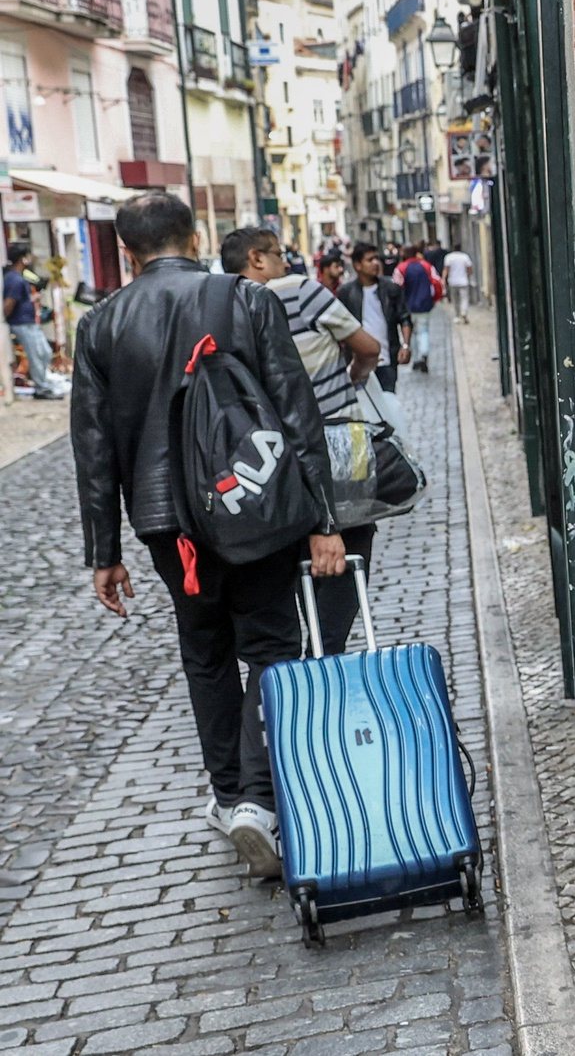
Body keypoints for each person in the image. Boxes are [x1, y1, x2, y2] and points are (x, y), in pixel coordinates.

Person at [70, 193, 345, 878]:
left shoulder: (100, 325)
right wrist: (323, 519)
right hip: (250, 500)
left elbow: (93, 449)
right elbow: (295, 409)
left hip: (168, 523)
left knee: (205, 651)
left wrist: (103, 552)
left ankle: (228, 795)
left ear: (127, 251)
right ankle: (259, 797)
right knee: (275, 643)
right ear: (196, 235)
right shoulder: (246, 299)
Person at [221, 227, 382, 657]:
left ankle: (304, 660)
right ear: (256, 259)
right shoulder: (300, 291)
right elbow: (368, 348)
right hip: (336, 439)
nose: (284, 263)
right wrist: (350, 382)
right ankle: (329, 655)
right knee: (349, 551)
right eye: (277, 255)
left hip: (265, 457)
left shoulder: (222, 306)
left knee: (289, 564)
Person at [337, 242, 411, 392]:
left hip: (387, 359)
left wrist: (405, 345)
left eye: (377, 258)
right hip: (358, 363)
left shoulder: (391, 288)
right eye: (370, 260)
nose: (376, 263)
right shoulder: (346, 292)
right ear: (357, 265)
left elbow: (404, 317)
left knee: (388, 401)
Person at [4, 242, 60, 399]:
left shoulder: (17, 278)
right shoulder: (15, 279)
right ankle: (42, 388)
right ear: (23, 259)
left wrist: (31, 299)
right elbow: (9, 303)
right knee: (36, 354)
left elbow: (18, 300)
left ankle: (44, 383)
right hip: (22, 324)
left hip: (28, 322)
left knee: (44, 353)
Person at [395, 244, 440, 374]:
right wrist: (434, 299)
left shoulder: (401, 268)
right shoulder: (426, 266)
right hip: (424, 305)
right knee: (423, 330)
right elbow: (436, 282)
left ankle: (415, 359)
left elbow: (396, 288)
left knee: (411, 333)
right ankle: (424, 354)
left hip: (408, 307)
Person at [443, 244, 474, 322]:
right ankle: (464, 312)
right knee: (464, 298)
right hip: (463, 281)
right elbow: (469, 268)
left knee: (455, 299)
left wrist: (443, 278)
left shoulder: (449, 257)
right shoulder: (465, 256)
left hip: (453, 281)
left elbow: (446, 269)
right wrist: (468, 275)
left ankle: (457, 315)